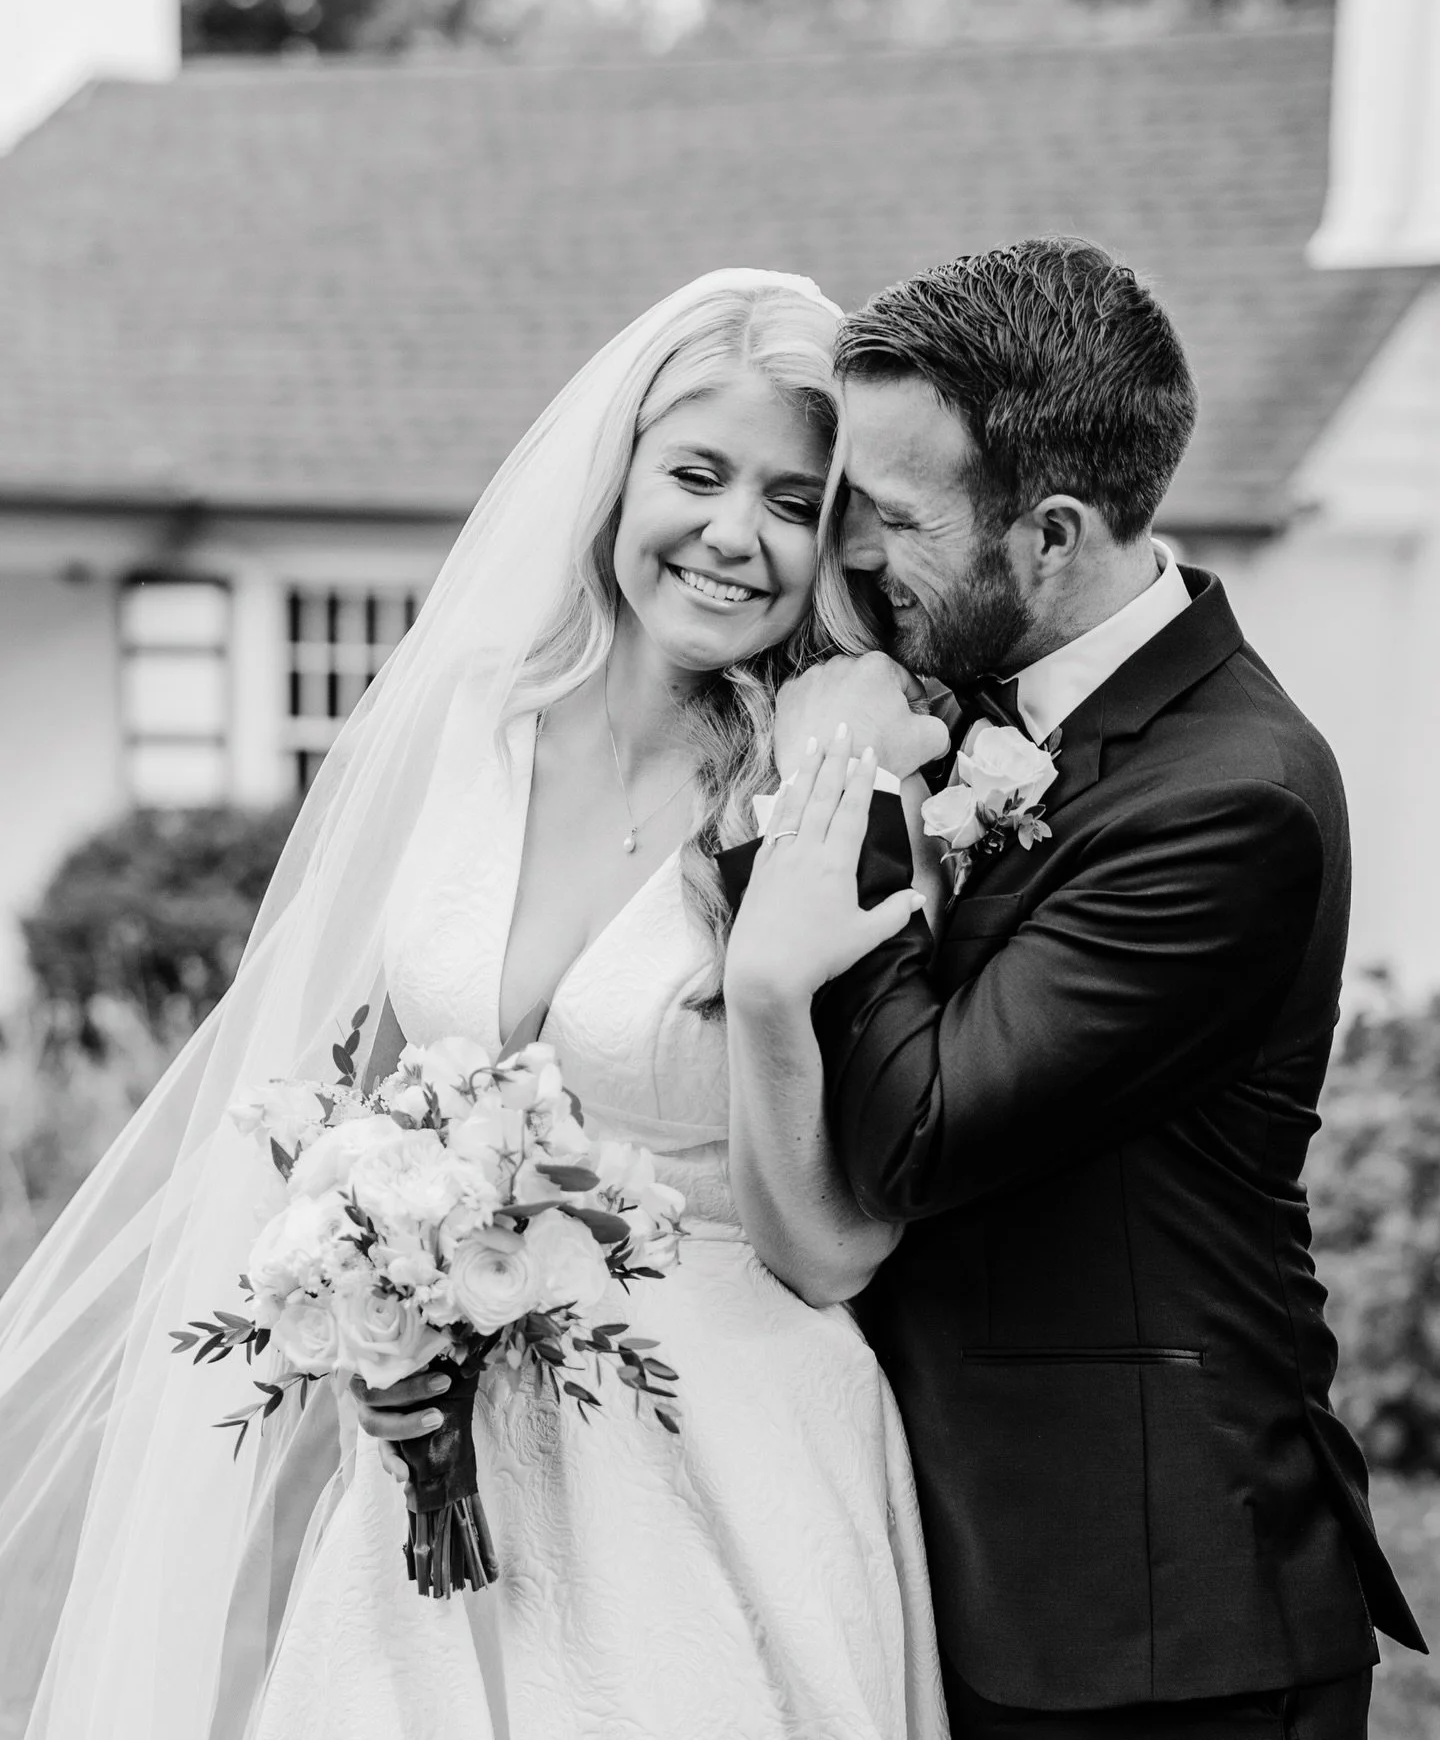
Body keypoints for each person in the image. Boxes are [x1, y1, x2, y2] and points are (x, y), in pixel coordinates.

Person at [0, 270, 948, 1740]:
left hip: (720, 1464)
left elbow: (840, 1249)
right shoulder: (474, 719)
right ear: (618, 474)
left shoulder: (831, 766)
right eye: (697, 474)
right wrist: (366, 1336)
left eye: (791, 501)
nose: (733, 536)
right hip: (442, 1457)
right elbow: (354, 1108)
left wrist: (767, 984)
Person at [721, 237, 1427, 1740]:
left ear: (1048, 534)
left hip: (1149, 1622)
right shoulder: (970, 688)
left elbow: (915, 1129)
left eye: (892, 521)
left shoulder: (1234, 800)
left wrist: (834, 788)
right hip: (946, 1566)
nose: (847, 559)